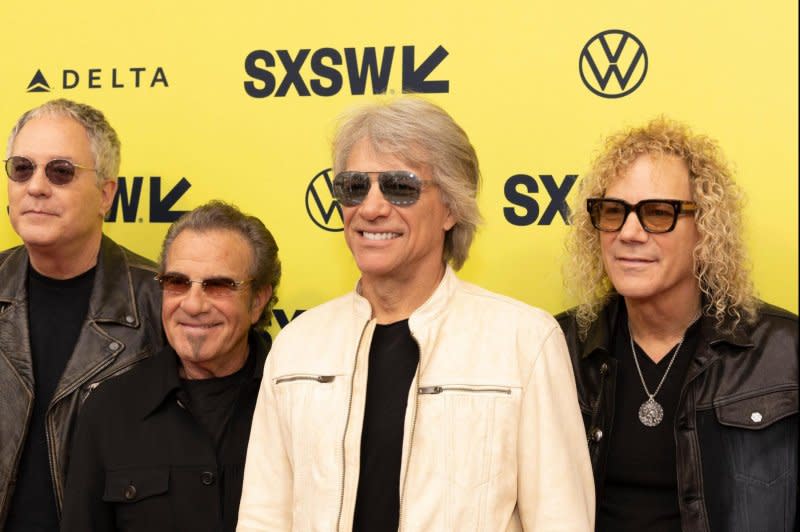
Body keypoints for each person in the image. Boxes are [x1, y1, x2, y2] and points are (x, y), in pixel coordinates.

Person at [237, 97, 594, 531]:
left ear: (450, 208)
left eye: (399, 186)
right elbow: (263, 517)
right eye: (354, 187)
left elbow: (561, 520)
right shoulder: (298, 346)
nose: (370, 208)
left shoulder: (524, 341)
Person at [558, 117, 798, 532]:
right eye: (613, 211)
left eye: (657, 213)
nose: (629, 232)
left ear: (705, 231)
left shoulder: (784, 351)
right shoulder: (556, 347)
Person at [60, 201, 281, 531]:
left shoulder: (296, 402)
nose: (193, 305)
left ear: (258, 301)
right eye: (177, 282)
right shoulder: (109, 409)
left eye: (218, 285)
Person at [0, 99, 164, 530]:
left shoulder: (162, 303)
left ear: (106, 194)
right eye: (21, 168)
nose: (36, 186)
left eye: (60, 171)